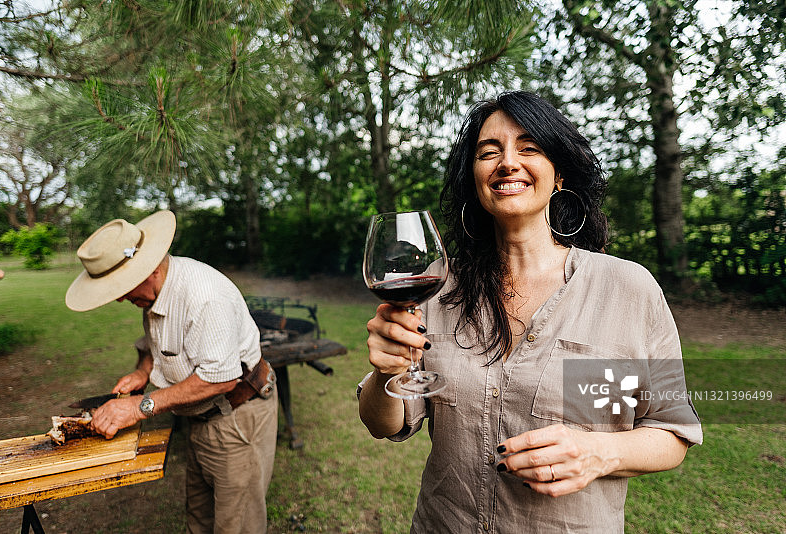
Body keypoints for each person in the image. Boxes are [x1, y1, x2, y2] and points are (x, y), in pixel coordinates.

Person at [358, 91, 702, 533]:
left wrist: (598, 453)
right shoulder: (439, 289)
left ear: (558, 174)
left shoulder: (626, 290)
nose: (507, 162)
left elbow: (671, 432)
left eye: (529, 148)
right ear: (475, 179)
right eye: (489, 152)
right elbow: (384, 424)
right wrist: (385, 373)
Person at [65, 210, 278, 534]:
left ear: (149, 269)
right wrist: (142, 372)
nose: (121, 297)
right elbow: (157, 345)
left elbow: (221, 377)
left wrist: (140, 406)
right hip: (201, 418)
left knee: (238, 525)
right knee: (200, 518)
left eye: (121, 287)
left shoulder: (205, 296)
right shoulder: (152, 294)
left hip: (237, 417)